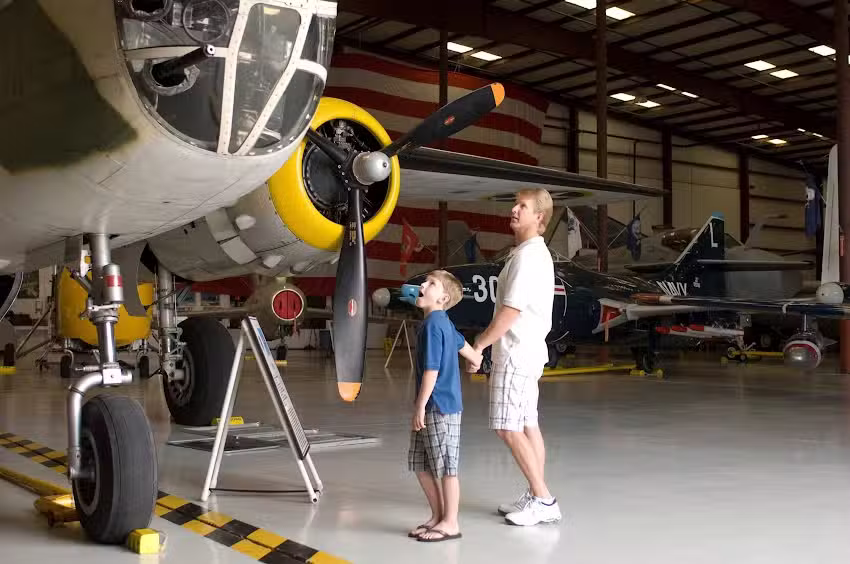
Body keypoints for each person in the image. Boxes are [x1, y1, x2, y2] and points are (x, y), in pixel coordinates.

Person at [469, 188, 561, 527]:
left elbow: (510, 311)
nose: (514, 209)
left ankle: (543, 498)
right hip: (529, 351)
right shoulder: (529, 254)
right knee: (526, 424)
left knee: (507, 427)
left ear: (539, 218)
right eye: (515, 204)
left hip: (516, 352)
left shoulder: (527, 257)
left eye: (523, 206)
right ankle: (536, 495)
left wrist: (479, 345)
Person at [408, 270, 482, 542]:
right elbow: (460, 342)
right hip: (433, 405)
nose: (423, 285)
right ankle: (438, 516)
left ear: (443, 297)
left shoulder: (433, 326)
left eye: (431, 283)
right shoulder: (441, 323)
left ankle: (451, 522)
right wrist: (475, 358)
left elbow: (432, 370)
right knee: (422, 463)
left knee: (446, 467)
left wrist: (419, 406)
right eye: (424, 281)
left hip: (439, 406)